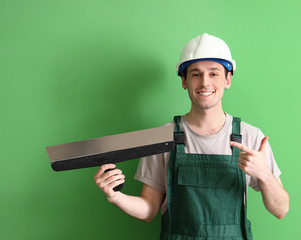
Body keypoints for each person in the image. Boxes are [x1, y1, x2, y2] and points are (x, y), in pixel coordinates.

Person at [94, 33, 289, 239]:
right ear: (184, 81)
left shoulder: (250, 137)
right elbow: (149, 210)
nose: (205, 82)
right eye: (196, 74)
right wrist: (115, 196)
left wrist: (265, 174)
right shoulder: (163, 137)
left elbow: (281, 210)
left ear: (228, 79)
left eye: (214, 74)